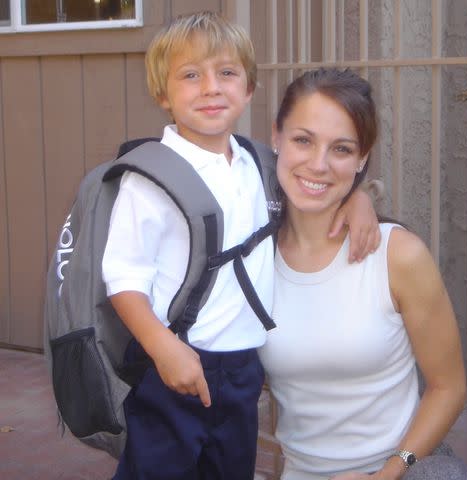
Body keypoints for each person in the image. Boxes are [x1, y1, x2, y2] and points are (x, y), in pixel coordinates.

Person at [102, 12, 379, 480]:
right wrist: (161, 347)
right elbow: (124, 277)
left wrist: (359, 197)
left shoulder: (258, 163)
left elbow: (313, 184)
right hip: (174, 363)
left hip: (243, 369)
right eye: (191, 75)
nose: (211, 87)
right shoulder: (149, 179)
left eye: (226, 73)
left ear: (248, 89)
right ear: (163, 94)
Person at [258, 67, 467, 480]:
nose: (318, 164)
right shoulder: (252, 256)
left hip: (403, 468)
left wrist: (390, 473)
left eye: (341, 149)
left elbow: (450, 388)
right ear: (276, 136)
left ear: (362, 156)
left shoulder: (397, 255)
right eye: (303, 140)